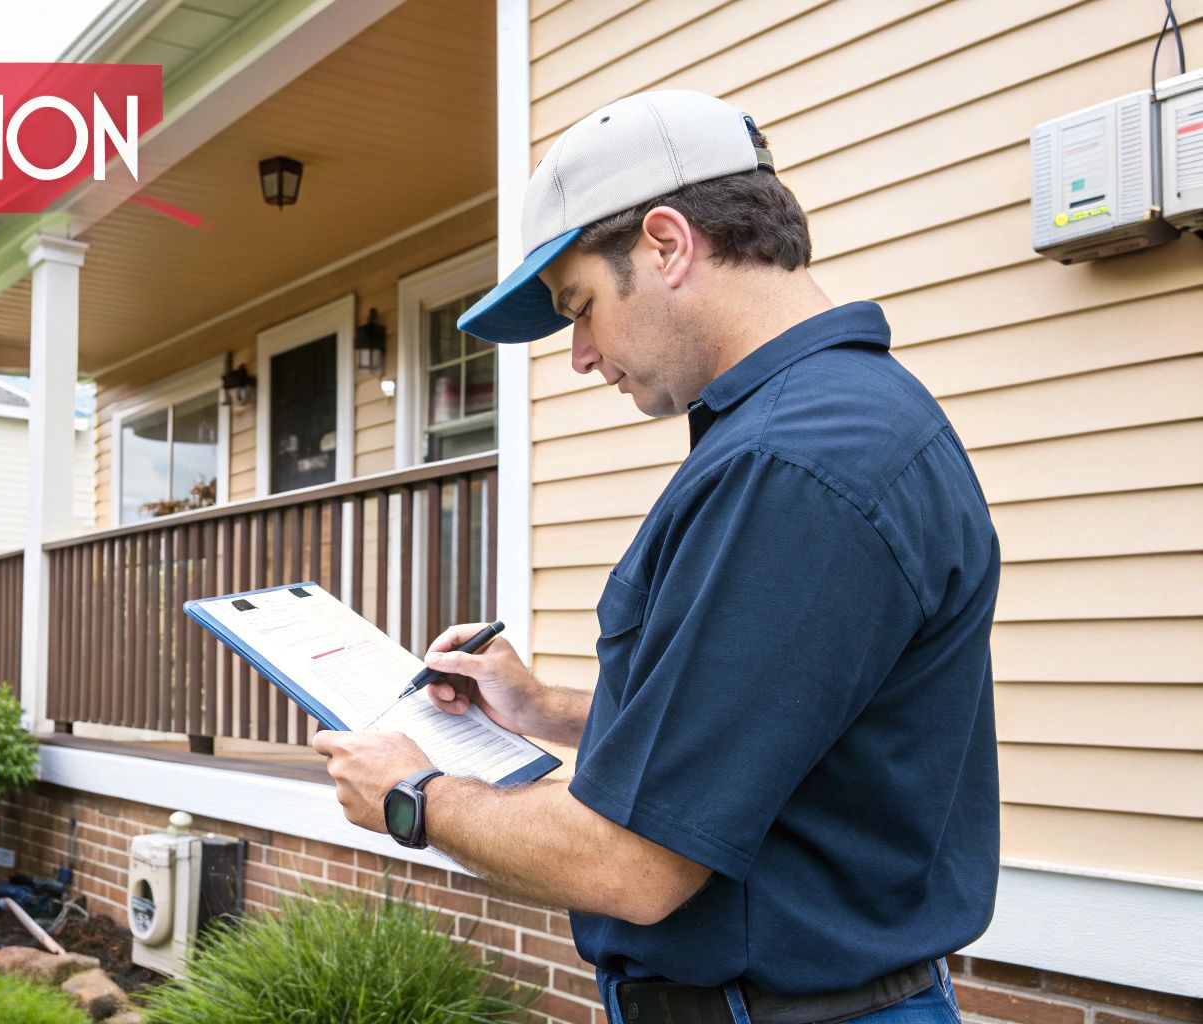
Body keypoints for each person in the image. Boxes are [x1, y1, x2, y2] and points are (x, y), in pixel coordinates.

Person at [312, 89, 1000, 1024]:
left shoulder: (797, 464)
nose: (581, 355)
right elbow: (757, 730)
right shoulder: (830, 427)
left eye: (581, 306)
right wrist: (540, 708)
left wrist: (412, 797)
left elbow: (631, 863)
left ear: (668, 244)